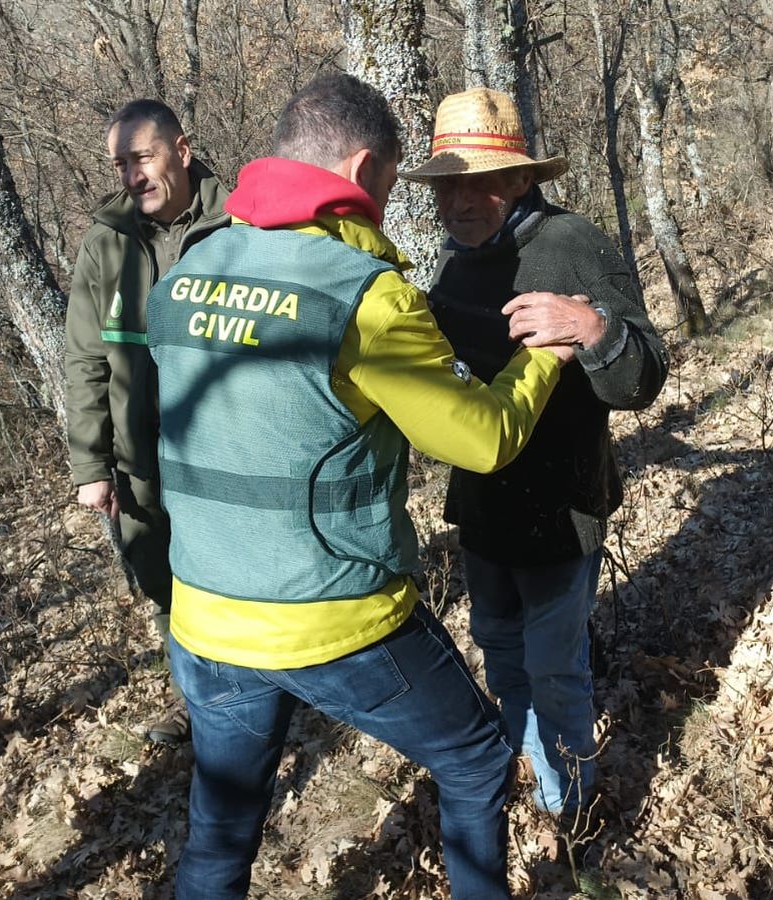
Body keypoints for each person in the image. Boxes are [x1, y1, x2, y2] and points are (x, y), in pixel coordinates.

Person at [144, 71, 580, 900]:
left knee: (221, 830)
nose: (384, 206)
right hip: (333, 616)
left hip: (202, 614)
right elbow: (481, 440)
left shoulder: (187, 277)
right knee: (478, 759)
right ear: (360, 168)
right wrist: (542, 360)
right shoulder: (361, 296)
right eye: (384, 186)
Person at [400, 87, 667, 818]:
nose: (458, 200)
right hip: (484, 510)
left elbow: (644, 374)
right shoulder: (451, 269)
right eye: (446, 185)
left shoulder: (572, 242)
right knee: (498, 646)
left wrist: (591, 325)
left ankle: (570, 805)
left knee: (556, 667)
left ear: (522, 180)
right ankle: (531, 763)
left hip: (561, 511)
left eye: (478, 181)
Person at [63, 99, 230, 744]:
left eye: (143, 157)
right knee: (162, 587)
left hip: (223, 449)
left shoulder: (237, 223)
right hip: (141, 460)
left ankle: (258, 695)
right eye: (120, 164)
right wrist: (90, 463)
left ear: (181, 152)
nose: (132, 175)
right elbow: (85, 360)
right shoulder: (105, 245)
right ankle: (199, 706)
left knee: (230, 577)